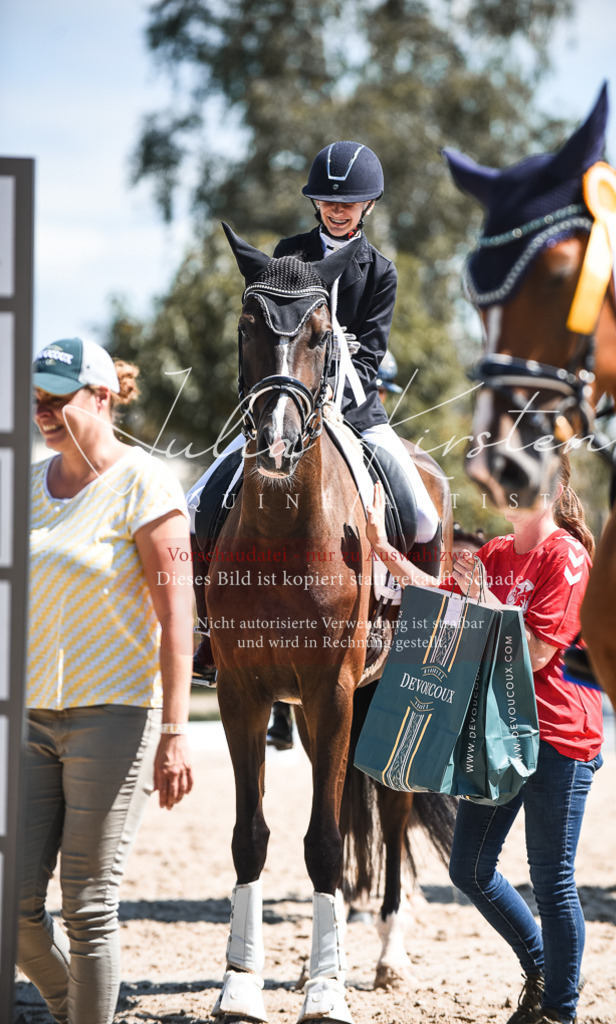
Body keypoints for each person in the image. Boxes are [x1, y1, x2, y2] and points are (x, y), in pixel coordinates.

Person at [189, 142, 441, 693]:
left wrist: (330, 369)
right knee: (198, 501)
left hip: (355, 410)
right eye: (328, 200)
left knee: (422, 513)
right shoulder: (289, 253)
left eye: (348, 202)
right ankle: (209, 633)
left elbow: (371, 357)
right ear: (315, 203)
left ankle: (422, 637)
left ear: (368, 204)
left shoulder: (381, 271)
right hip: (282, 408)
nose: (338, 209)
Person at [365, 453, 603, 1024]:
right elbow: (440, 599)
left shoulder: (567, 557)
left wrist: (485, 602)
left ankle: (559, 1010)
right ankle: (544, 968)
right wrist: (382, 548)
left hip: (559, 738)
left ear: (555, 488)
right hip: (503, 734)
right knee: (470, 868)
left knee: (552, 881)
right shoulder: (495, 553)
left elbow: (538, 653)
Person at [18, 337, 195, 1024]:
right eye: (36, 399)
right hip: (30, 718)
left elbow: (178, 617)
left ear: (101, 397)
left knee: (88, 905)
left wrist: (176, 731)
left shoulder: (148, 483)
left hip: (115, 718)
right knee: (14, 905)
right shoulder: (27, 487)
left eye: (57, 399)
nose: (43, 412)